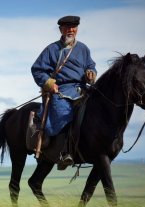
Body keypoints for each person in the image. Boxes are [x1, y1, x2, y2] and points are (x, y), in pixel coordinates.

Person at [31, 15, 96, 169]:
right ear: (61, 29)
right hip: (61, 90)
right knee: (62, 113)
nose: (71, 30)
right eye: (67, 27)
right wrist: (49, 83)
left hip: (82, 89)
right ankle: (63, 152)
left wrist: (91, 73)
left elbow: (91, 65)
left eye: (73, 27)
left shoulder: (83, 49)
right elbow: (37, 70)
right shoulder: (51, 49)